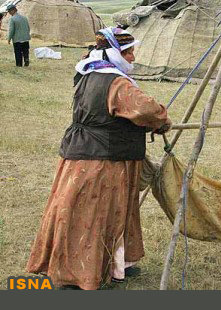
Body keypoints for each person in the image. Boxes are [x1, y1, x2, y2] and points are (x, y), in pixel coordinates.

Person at [26, 27, 172, 290]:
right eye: (128, 52)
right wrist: (162, 119)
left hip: (83, 154)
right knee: (97, 213)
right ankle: (80, 272)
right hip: (103, 160)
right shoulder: (116, 83)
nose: (133, 57)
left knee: (89, 210)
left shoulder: (88, 72)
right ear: (115, 53)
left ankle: (118, 264)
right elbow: (148, 110)